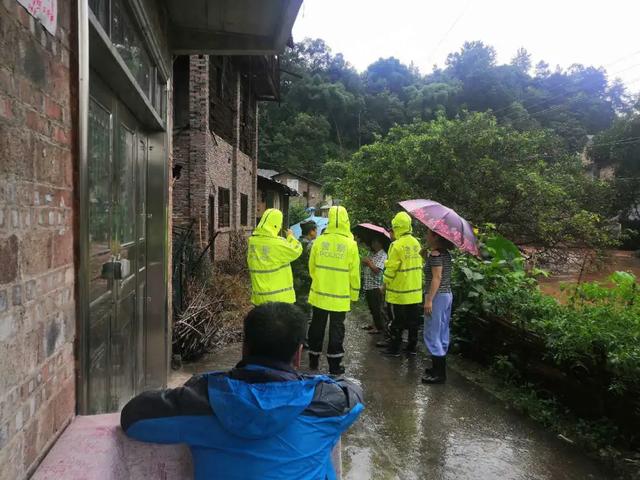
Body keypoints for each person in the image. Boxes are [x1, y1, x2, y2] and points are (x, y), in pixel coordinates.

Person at [121, 303, 364, 480]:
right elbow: (353, 391)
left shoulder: (200, 399)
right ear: (298, 354)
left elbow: (133, 417)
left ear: (244, 347)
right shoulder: (326, 404)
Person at [307, 206, 360, 374]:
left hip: (319, 294)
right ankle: (335, 366)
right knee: (337, 328)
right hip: (340, 296)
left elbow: (312, 268)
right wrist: (354, 294)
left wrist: (320, 282)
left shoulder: (319, 241)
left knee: (316, 326)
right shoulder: (351, 245)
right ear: (346, 220)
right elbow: (354, 274)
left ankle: (313, 360)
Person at [382, 211, 424, 357]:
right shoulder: (416, 243)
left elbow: (391, 268)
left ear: (396, 226)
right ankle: (411, 348)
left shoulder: (396, 245)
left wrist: (384, 283)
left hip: (399, 292)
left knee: (396, 321)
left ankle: (394, 349)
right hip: (415, 292)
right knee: (413, 322)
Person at [247, 208, 302, 305]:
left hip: (259, 298)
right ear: (276, 225)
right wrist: (290, 237)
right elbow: (296, 250)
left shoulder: (252, 241)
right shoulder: (277, 244)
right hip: (278, 299)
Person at [421, 229, 454, 384]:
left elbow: (436, 278)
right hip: (446, 295)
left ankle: (439, 374)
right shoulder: (445, 253)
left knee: (432, 332)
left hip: (437, 297)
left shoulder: (436, 254)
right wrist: (423, 255)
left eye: (428, 233)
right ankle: (437, 368)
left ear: (435, 237)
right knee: (442, 332)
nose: (426, 236)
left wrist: (429, 300)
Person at [361, 237, 388, 335]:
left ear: (380, 243)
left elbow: (377, 270)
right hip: (368, 284)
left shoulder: (383, 255)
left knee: (377, 308)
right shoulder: (373, 254)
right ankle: (373, 324)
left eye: (375, 241)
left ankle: (379, 327)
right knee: (372, 307)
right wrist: (365, 262)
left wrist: (368, 262)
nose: (372, 243)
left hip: (376, 286)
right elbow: (366, 264)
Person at [292, 220, 318, 314]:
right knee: (305, 312)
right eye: (315, 230)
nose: (316, 233)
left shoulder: (295, 243)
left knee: (295, 310)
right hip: (306, 281)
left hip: (294, 280)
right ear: (311, 231)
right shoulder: (310, 246)